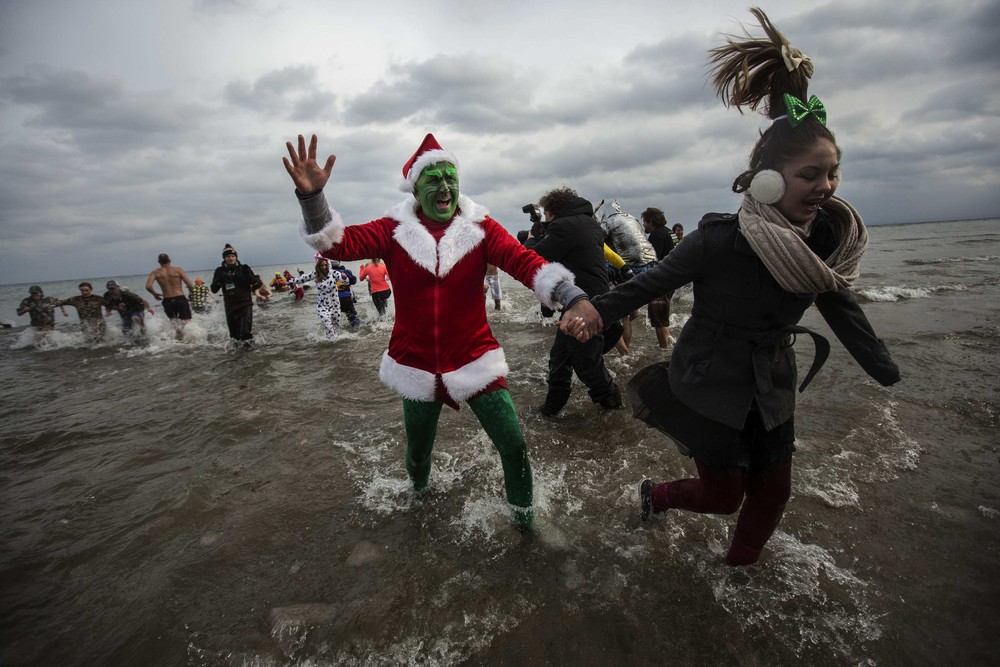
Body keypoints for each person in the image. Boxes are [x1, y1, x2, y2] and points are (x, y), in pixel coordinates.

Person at [562, 8, 900, 566]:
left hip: (772, 380)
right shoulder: (720, 239)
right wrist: (591, 311)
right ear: (769, 178)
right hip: (710, 379)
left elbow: (839, 304)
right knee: (723, 497)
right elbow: (654, 282)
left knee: (775, 492)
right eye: (810, 174)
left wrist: (884, 368)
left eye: (832, 172)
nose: (825, 185)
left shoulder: (823, 243)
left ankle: (740, 571)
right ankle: (657, 493)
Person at [282, 132, 596, 528]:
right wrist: (313, 201)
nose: (445, 186)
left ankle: (526, 525)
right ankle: (420, 505)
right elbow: (336, 245)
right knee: (417, 454)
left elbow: (523, 261)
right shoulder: (392, 230)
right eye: (434, 179)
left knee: (514, 445)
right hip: (416, 364)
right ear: (416, 188)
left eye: (451, 176)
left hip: (475, 357)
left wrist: (571, 296)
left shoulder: (480, 227)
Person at [525, 187, 623, 415]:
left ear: (552, 211)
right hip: (600, 299)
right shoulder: (589, 223)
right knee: (561, 357)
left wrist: (532, 239)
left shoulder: (564, 226)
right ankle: (550, 410)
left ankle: (614, 410)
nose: (546, 219)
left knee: (587, 365)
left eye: (546, 215)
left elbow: (535, 258)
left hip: (584, 305)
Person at [210, 244, 271, 346]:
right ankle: (238, 359)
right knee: (234, 337)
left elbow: (258, 283)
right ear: (224, 258)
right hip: (230, 306)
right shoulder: (220, 271)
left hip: (245, 304)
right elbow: (214, 289)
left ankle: (251, 355)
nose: (231, 258)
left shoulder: (244, 268)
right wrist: (220, 279)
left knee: (245, 334)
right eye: (228, 256)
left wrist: (251, 282)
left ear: (236, 257)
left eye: (233, 256)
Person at [641, 207, 677, 349]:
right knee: (662, 318)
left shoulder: (657, 235)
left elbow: (651, 260)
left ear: (651, 221)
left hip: (661, 281)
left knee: (658, 320)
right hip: (673, 278)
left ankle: (664, 351)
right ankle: (670, 346)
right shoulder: (669, 232)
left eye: (645, 222)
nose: (643, 225)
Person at [291, 257, 347, 340]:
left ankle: (335, 343)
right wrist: (289, 281)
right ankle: (332, 342)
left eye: (325, 265)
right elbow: (302, 279)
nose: (324, 267)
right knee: (327, 324)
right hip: (322, 305)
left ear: (328, 265)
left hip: (335, 304)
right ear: (318, 266)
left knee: (336, 326)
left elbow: (345, 281)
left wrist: (344, 278)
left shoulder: (334, 273)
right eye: (321, 265)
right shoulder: (315, 274)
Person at [145, 253, 194, 339]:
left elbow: (148, 286)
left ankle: (179, 339)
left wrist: (155, 294)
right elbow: (190, 285)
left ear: (159, 262)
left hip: (167, 300)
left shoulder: (155, 273)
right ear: (169, 261)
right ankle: (191, 338)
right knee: (187, 321)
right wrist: (191, 294)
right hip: (180, 298)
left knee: (174, 323)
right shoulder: (178, 270)